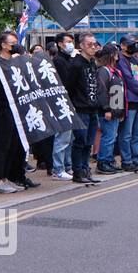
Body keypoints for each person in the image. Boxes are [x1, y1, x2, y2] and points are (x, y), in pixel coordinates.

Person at [0, 30, 33, 192]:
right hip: (2, 109)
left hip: (18, 108)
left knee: (14, 144)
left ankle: (7, 177)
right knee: (2, 144)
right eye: (12, 43)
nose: (16, 46)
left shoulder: (16, 62)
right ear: (3, 45)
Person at [62, 33, 102, 184]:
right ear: (82, 46)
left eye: (94, 44)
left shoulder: (92, 63)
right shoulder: (76, 64)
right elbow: (69, 87)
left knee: (88, 142)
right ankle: (77, 171)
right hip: (80, 109)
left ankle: (86, 170)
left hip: (92, 108)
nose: (93, 47)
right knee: (80, 141)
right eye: (89, 44)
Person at [115, 36, 138, 173]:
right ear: (123, 45)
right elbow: (128, 79)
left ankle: (137, 159)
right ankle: (126, 160)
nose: (135, 46)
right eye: (131, 44)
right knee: (126, 134)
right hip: (129, 100)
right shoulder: (120, 60)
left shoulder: (136, 59)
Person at [48, 33, 76, 181]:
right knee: (62, 137)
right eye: (68, 42)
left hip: (69, 102)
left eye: (72, 41)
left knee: (69, 138)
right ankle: (58, 169)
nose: (71, 44)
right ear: (60, 44)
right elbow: (66, 82)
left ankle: (67, 165)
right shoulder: (58, 61)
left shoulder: (68, 60)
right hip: (62, 102)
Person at [95, 45, 125, 175]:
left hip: (116, 110)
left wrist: (120, 111)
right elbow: (101, 91)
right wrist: (106, 109)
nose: (117, 55)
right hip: (108, 111)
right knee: (108, 137)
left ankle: (109, 160)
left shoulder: (114, 71)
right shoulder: (104, 71)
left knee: (112, 137)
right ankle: (103, 162)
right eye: (115, 53)